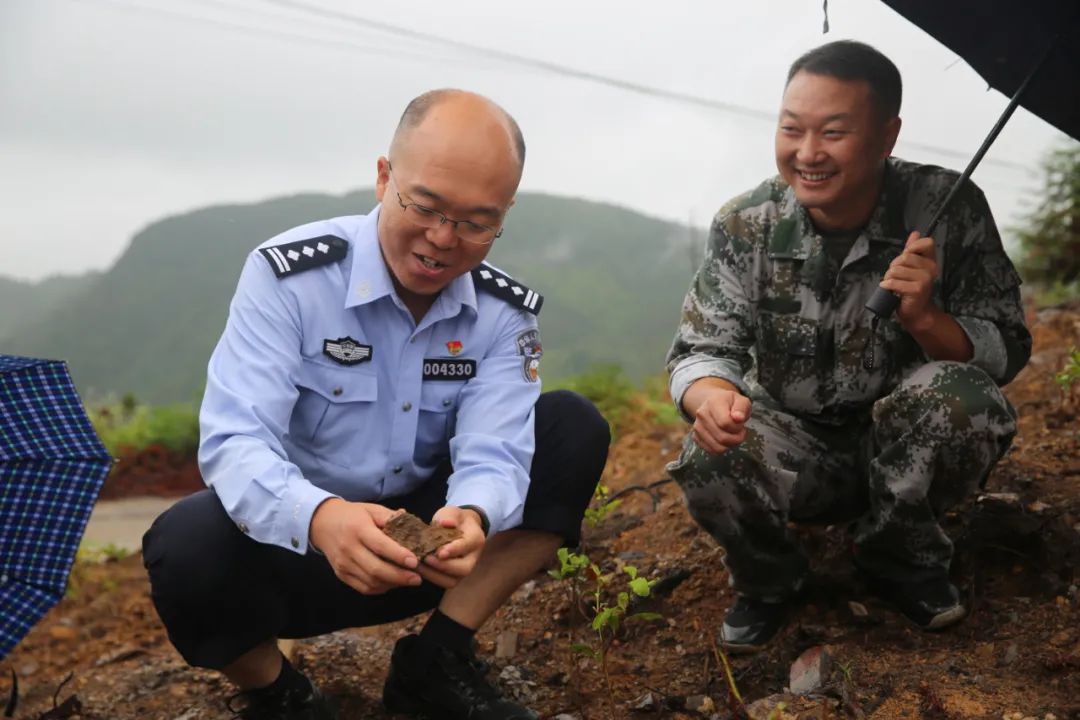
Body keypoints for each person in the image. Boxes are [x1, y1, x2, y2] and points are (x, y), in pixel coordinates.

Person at [143, 89, 610, 719]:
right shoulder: (291, 280)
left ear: (505, 214)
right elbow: (235, 442)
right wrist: (322, 518)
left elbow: (497, 448)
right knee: (186, 541)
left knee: (570, 427)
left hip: (433, 552)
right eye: (425, 206)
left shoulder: (504, 315)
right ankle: (280, 695)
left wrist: (472, 514)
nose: (443, 239)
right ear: (384, 177)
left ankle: (437, 660)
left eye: (476, 222)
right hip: (301, 545)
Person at [665, 40, 1031, 653]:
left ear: (887, 136)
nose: (807, 154)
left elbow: (1008, 347)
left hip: (909, 443)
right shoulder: (745, 223)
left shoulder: (947, 210)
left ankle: (897, 555)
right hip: (797, 447)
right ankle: (770, 580)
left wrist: (926, 319)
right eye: (791, 130)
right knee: (708, 454)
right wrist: (710, 398)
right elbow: (702, 347)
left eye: (833, 133)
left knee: (962, 400)